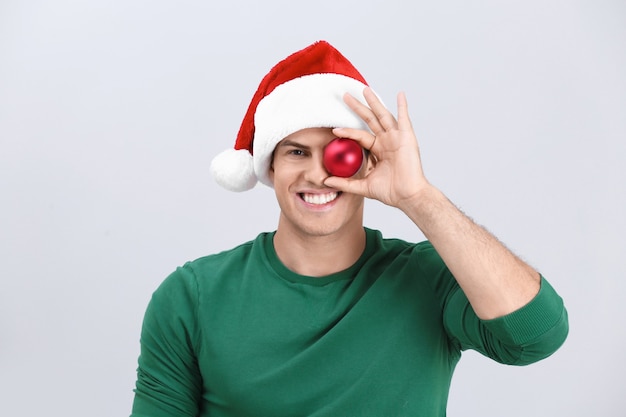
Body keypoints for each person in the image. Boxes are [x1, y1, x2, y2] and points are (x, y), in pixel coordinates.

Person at [130, 40, 568, 417]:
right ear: (270, 166)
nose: (319, 175)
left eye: (339, 152)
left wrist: (418, 197)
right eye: (297, 152)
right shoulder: (193, 296)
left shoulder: (429, 278)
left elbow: (537, 334)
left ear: (367, 159)